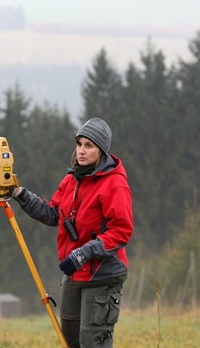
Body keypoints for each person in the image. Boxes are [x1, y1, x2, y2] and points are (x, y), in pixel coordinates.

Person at [10, 117, 133, 348]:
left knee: (91, 341)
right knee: (69, 339)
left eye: (89, 146)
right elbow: (54, 214)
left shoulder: (115, 184)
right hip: (74, 273)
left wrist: (85, 252)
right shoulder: (71, 180)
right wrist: (20, 194)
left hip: (102, 275)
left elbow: (121, 231)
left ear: (102, 151)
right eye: (79, 144)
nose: (82, 151)